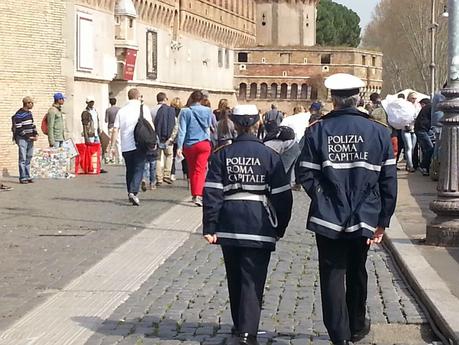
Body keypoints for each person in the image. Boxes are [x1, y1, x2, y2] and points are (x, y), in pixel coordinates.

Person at [296, 73, 397, 345]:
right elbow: (388, 179)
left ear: (333, 100)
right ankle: (355, 324)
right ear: (358, 98)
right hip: (365, 214)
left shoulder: (317, 130)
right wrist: (382, 219)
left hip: (328, 215)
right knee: (357, 268)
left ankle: (339, 335)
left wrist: (321, 196)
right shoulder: (378, 132)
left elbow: (304, 173)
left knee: (331, 274)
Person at [203, 104, 293, 345]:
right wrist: (280, 227)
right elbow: (283, 196)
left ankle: (239, 324)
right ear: (257, 125)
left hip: (230, 223)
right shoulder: (270, 156)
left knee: (234, 276)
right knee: (254, 278)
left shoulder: (222, 154)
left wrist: (210, 227)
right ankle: (247, 330)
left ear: (233, 124)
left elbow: (212, 193)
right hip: (259, 224)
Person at [110, 88, 153, 206]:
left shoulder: (121, 111)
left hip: (126, 145)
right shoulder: (144, 108)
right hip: (140, 144)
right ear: (138, 97)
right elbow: (150, 126)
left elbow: (115, 129)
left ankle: (130, 191)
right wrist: (152, 141)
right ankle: (133, 192)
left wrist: (112, 146)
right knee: (139, 168)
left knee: (129, 169)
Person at [176, 90, 213, 206]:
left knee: (192, 170)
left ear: (191, 98)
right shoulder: (208, 111)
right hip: (204, 143)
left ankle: (194, 194)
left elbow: (182, 130)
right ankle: (198, 195)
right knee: (200, 170)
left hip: (189, 144)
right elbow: (208, 126)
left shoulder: (185, 111)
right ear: (201, 99)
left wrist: (179, 146)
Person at [12, 96, 38, 184]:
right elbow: (19, 128)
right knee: (22, 158)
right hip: (23, 139)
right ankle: (22, 177)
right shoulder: (19, 114)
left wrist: (35, 134)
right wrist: (28, 137)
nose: (32, 105)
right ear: (27, 103)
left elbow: (32, 124)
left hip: (31, 138)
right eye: (31, 103)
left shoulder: (29, 113)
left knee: (29, 157)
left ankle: (27, 176)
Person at [153, 92, 177, 185]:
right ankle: (167, 174)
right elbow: (175, 125)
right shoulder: (171, 110)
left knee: (158, 158)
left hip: (157, 137)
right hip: (168, 137)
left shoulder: (152, 110)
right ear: (165, 99)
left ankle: (159, 178)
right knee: (169, 155)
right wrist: (172, 138)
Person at [414, 98, 433, 176]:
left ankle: (425, 168)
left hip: (421, 130)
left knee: (426, 149)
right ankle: (424, 166)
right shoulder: (430, 107)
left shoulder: (427, 108)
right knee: (430, 148)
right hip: (422, 130)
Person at [170, 97, 187, 180]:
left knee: (172, 156)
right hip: (181, 136)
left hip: (173, 137)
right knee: (183, 156)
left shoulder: (170, 112)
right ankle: (185, 173)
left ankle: (172, 173)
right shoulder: (183, 112)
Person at [403, 92, 419, 172]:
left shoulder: (417, 106)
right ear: (409, 98)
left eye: (415, 98)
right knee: (408, 147)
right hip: (406, 129)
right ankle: (410, 166)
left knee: (412, 148)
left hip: (414, 129)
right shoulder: (405, 106)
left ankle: (408, 164)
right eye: (413, 98)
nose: (414, 100)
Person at [105, 97, 121, 164]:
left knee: (111, 143)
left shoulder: (108, 110)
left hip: (110, 127)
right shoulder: (119, 109)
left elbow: (106, 120)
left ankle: (111, 157)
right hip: (117, 127)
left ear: (110, 102)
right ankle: (120, 157)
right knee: (118, 143)